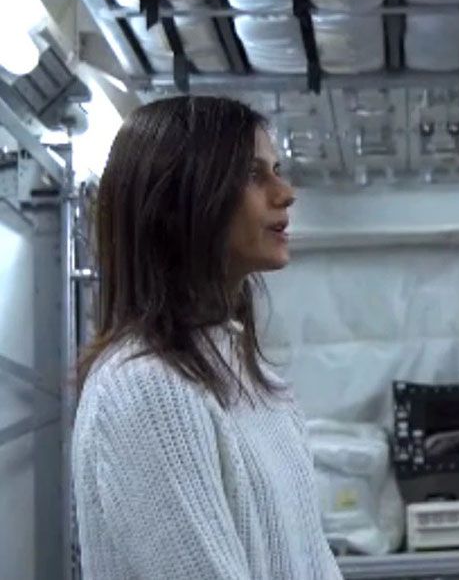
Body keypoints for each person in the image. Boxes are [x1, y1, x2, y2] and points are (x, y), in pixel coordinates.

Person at [71, 96, 342, 579]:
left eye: (276, 169)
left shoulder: (254, 381)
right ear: (178, 203)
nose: (286, 192)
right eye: (254, 175)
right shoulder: (144, 390)